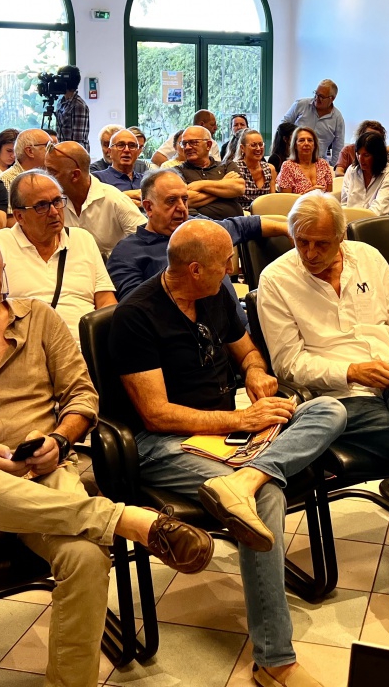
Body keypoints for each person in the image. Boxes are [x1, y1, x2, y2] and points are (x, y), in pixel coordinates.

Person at [0, 231, 214, 687]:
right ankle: (124, 519)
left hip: (42, 477)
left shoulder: (40, 320)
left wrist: (60, 440)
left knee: (86, 556)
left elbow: (82, 397)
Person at [111, 219, 347, 687]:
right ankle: (274, 660)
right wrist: (240, 420)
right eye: (225, 263)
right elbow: (156, 415)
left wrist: (255, 373)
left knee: (328, 410)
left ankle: (244, 478)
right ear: (195, 269)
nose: (234, 268)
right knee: (267, 497)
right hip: (165, 443)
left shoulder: (216, 294)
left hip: (227, 431)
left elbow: (247, 353)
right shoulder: (136, 316)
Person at [259, 194, 389, 625]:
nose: (309, 253)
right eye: (301, 242)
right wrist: (352, 370)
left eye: (321, 243)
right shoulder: (277, 279)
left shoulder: (367, 257)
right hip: (339, 398)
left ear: (341, 237)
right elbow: (288, 364)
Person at [106, 168, 287, 306]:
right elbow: (136, 308)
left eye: (184, 199)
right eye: (171, 201)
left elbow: (246, 226)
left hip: (239, 331)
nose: (181, 208)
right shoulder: (128, 252)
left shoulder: (201, 228)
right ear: (148, 207)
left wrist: (289, 229)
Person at [0, 170, 116, 336]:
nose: (54, 212)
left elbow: (105, 300)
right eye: (42, 206)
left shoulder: (82, 239)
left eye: (57, 201)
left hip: (84, 344)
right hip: (26, 345)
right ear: (19, 216)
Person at [45, 141, 146, 257]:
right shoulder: (50, 203)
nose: (46, 177)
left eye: (52, 172)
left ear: (75, 175)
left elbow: (147, 240)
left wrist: (117, 261)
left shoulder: (114, 199)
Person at [176, 125, 245, 220]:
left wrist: (201, 185)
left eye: (193, 142)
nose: (187, 147)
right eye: (184, 143)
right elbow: (186, 200)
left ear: (208, 145)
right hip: (200, 225)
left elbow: (239, 188)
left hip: (236, 224)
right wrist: (224, 187)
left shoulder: (226, 165)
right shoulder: (177, 171)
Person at [281, 79, 345, 165]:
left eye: (321, 97)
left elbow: (338, 147)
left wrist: (333, 167)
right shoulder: (300, 105)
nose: (317, 98)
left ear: (332, 98)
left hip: (318, 162)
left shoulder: (337, 118)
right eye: (316, 94)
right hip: (294, 159)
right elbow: (283, 126)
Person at [339, 130, 389, 215]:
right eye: (358, 154)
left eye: (366, 155)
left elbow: (378, 211)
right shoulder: (352, 170)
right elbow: (345, 204)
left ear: (377, 156)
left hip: (379, 221)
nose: (360, 159)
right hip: (352, 220)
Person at [0, 128, 50, 205]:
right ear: (30, 151)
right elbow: (10, 213)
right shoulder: (7, 181)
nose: (54, 151)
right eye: (48, 146)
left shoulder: (51, 176)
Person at [275, 126, 333, 196]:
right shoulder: (288, 166)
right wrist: (309, 192)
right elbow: (286, 199)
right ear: (295, 145)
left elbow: (329, 194)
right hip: (297, 203)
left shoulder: (323, 164)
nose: (306, 143)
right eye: (301, 140)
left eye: (310, 140)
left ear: (314, 145)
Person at [229, 128, 275, 211]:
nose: (258, 148)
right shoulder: (235, 168)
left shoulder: (270, 169)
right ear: (242, 148)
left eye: (261, 144)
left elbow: (272, 200)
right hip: (242, 214)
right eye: (253, 145)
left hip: (265, 214)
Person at [152, 111, 221, 165]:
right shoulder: (180, 137)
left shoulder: (213, 144)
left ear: (208, 145)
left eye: (195, 142)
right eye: (212, 124)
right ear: (201, 124)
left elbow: (217, 165)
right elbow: (157, 157)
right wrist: (176, 171)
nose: (216, 128)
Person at [92, 128, 148, 196]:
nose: (127, 150)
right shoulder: (97, 179)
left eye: (132, 146)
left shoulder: (146, 180)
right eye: (121, 145)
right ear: (110, 152)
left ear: (137, 152)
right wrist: (133, 195)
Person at [54, 65, 90, 148]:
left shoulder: (78, 105)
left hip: (74, 152)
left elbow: (78, 140)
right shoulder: (61, 102)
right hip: (61, 149)